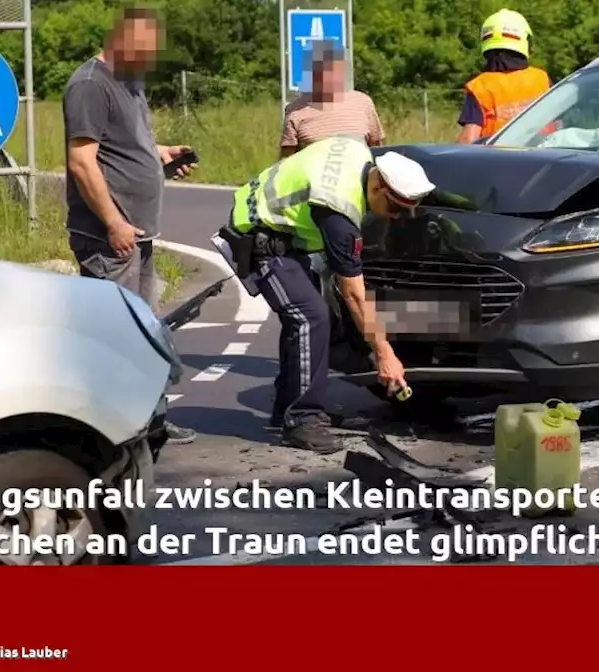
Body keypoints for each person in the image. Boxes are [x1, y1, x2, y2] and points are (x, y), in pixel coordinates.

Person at [225, 137, 434, 453]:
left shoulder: (358, 153)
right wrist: (384, 352)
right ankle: (302, 419)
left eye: (407, 213)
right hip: (258, 239)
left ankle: (287, 409)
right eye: (395, 209)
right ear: (377, 187)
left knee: (313, 317)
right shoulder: (339, 210)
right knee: (311, 317)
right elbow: (354, 294)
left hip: (286, 237)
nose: (396, 218)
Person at [63, 7, 199, 445]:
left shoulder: (129, 83)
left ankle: (147, 422)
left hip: (138, 233)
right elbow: (82, 161)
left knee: (144, 333)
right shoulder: (89, 84)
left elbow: (125, 142)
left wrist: (160, 153)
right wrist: (113, 221)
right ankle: (103, 430)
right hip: (109, 237)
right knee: (114, 336)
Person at [456, 8, 552, 144]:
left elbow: (469, 138)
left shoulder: (480, 87)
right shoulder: (542, 79)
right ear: (526, 42)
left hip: (499, 161)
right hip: (544, 157)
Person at [279, 42, 385, 158]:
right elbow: (286, 162)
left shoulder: (363, 102)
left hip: (359, 173)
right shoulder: (295, 111)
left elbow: (377, 149)